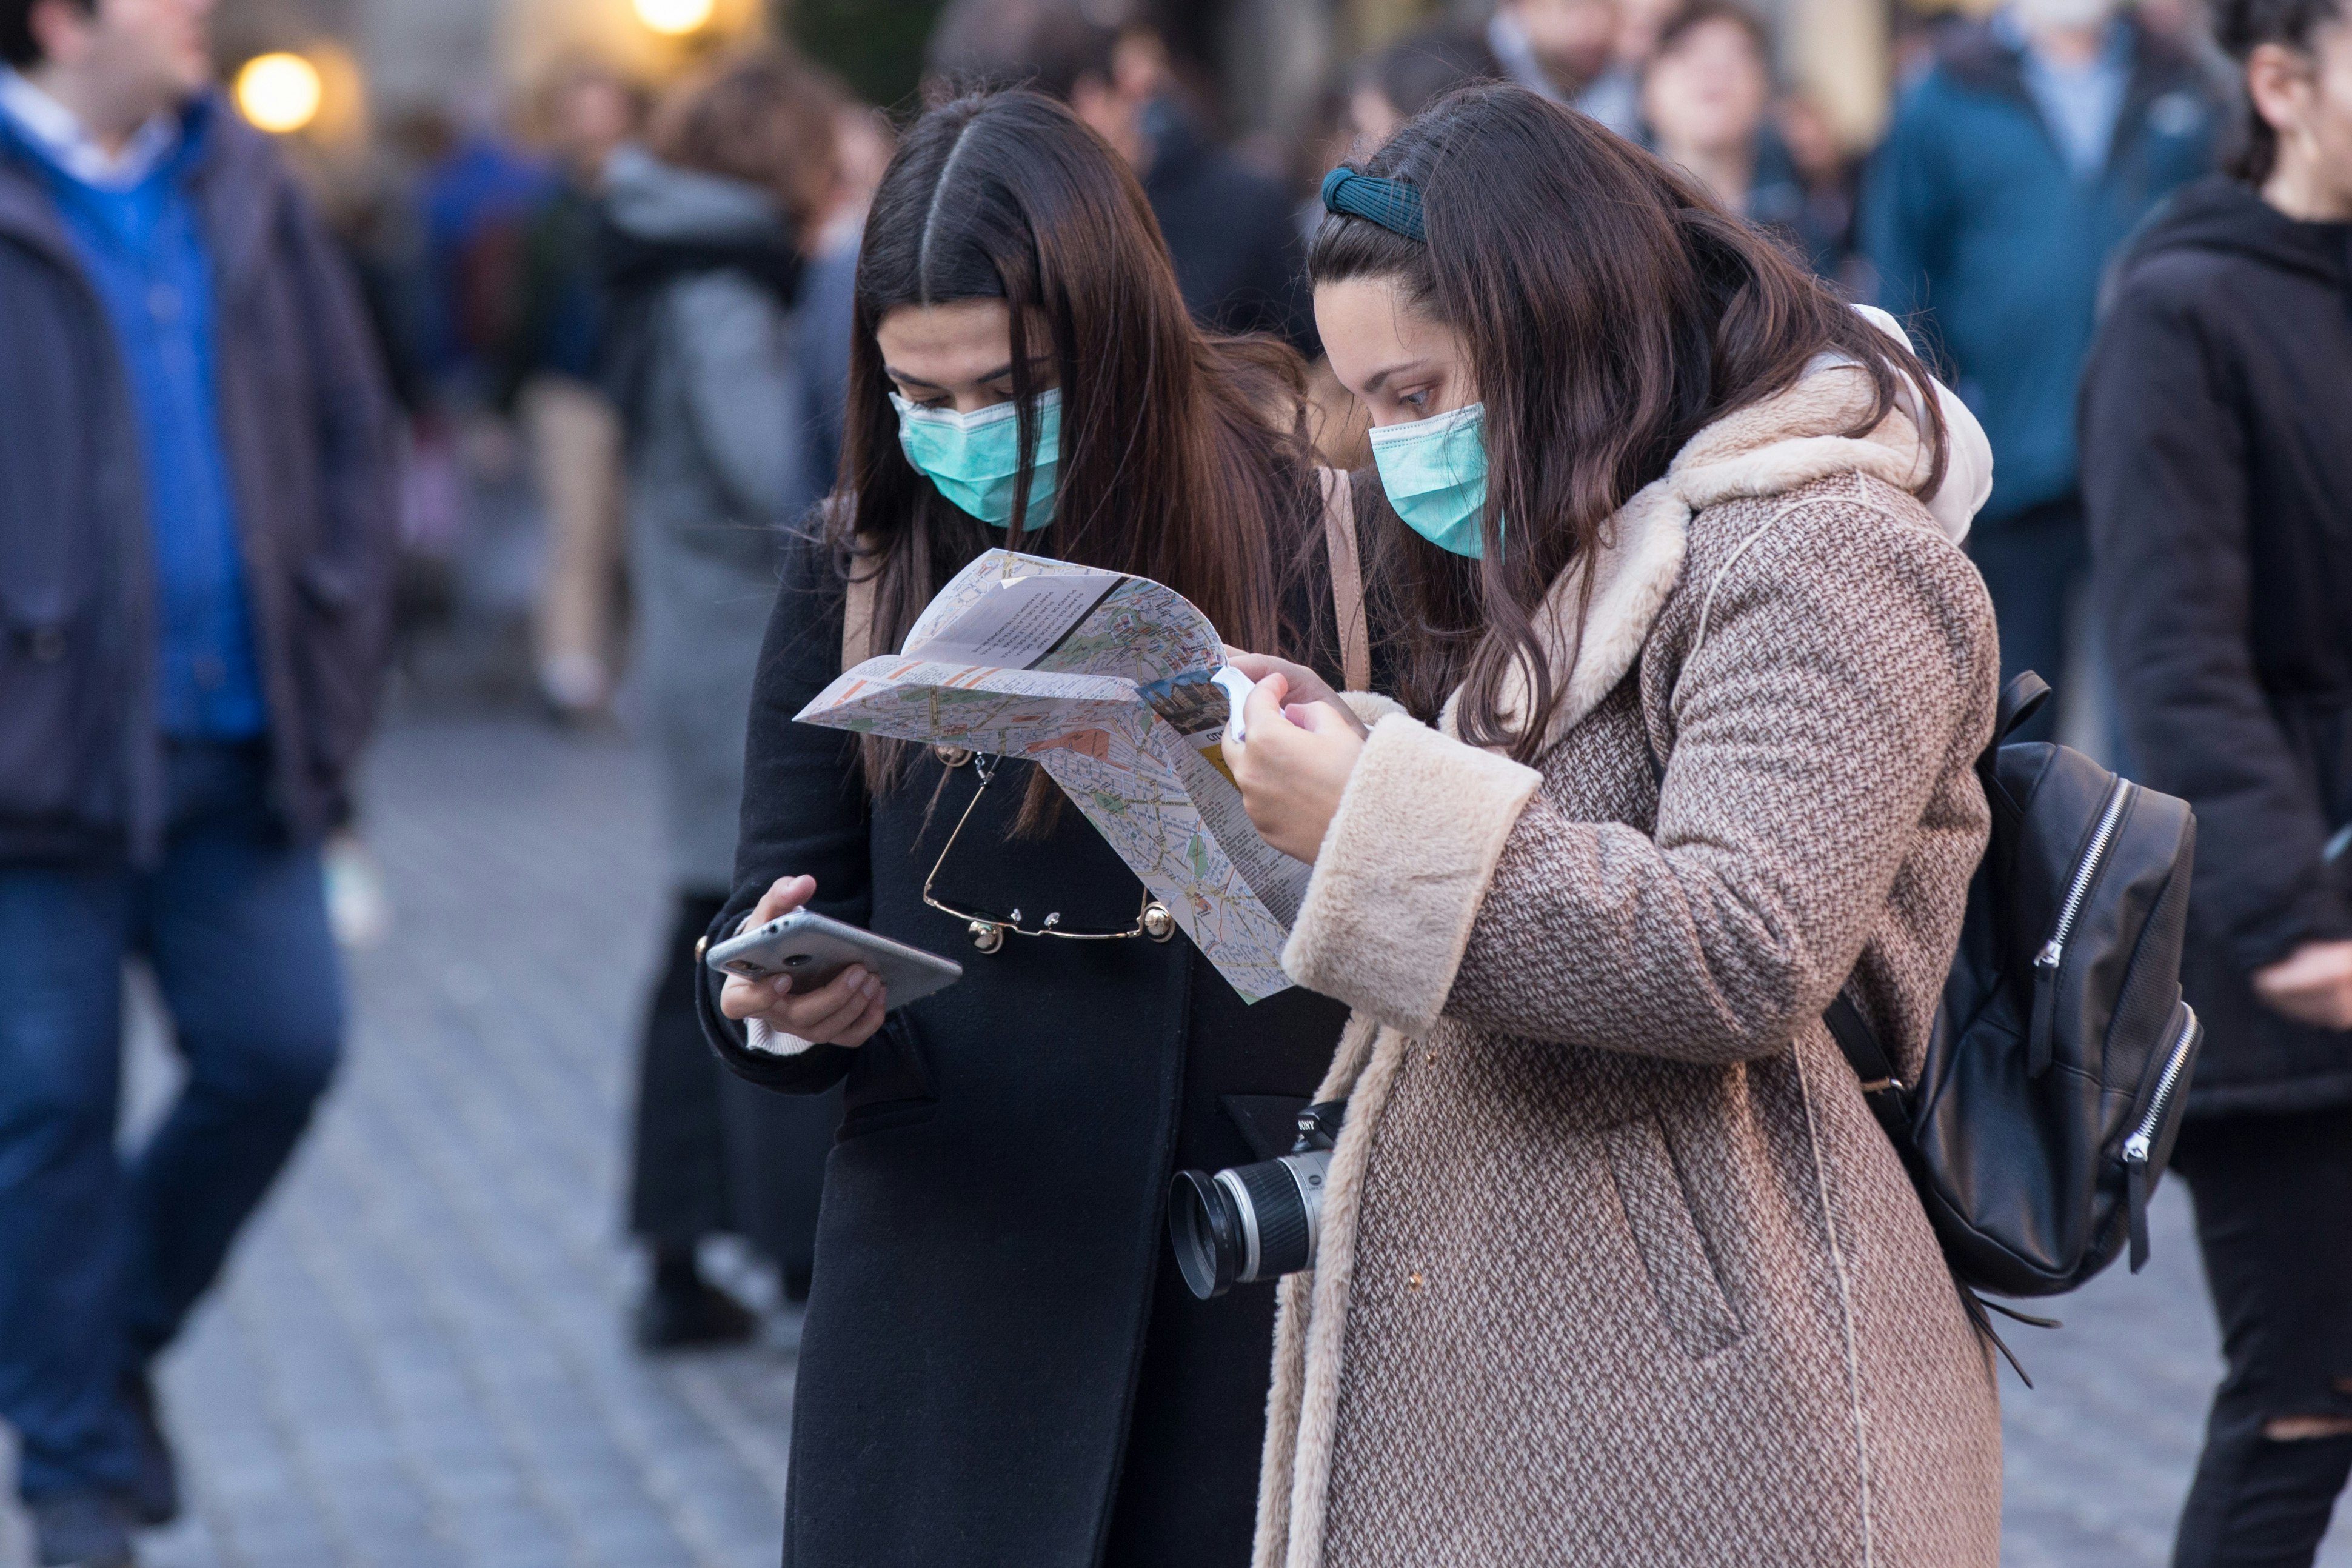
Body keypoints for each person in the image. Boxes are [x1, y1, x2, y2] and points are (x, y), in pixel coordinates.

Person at [1224, 82, 2003, 1565]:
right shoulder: (1592, 525)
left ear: (1557, 329)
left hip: (1728, 1382)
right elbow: (1552, 837)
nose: (1392, 445)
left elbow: (1743, 943)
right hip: (1542, 1349)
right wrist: (1332, 759)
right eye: (1368, 401)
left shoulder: (1825, 545)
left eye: (1416, 392)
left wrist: (1375, 809)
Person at [698, 88, 1359, 1568]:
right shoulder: (857, 563)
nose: (965, 434)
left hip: (1242, 1239)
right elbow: (762, 906)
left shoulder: (1313, 527)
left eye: (1008, 387)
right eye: (918, 396)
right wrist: (777, 1001)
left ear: (1115, 333)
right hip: (960, 1257)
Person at [0, 0, 399, 1561]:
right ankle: (76, 1476)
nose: (203, 17)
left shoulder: (243, 180)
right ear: (63, 17)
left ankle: (93, 1355)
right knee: (46, 1112)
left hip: (243, 741)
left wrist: (340, 631)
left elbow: (352, 426)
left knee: (282, 1048)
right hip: (39, 771)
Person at [2080, 0, 2352, 1558]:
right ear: (2278, 82)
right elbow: (2178, 661)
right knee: (2305, 1400)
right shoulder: (2180, 313)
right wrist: (2288, 913)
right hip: (2286, 946)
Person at [600, 44, 857, 1347]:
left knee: (703, 937)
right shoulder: (718, 289)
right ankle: (745, 1242)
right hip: (726, 657)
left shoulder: (681, 265)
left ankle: (683, 1247)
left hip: (695, 645)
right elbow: (773, 470)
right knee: (737, 941)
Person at [1863, 0, 2214, 739]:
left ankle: (2161, 855)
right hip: (2011, 444)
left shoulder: (2181, 77)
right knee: (2022, 701)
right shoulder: (1947, 88)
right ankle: (2038, 855)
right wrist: (1941, 412)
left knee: (2163, 687)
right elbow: (1901, 263)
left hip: (2163, 440)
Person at [925, 0, 1317, 353]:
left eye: (1018, 146)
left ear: (1091, 100)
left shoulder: (1241, 206)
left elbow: (1325, 369)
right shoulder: (974, 230)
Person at [502, 59, 643, 724]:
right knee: (576, 529)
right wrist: (503, 399)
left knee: (635, 532)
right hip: (570, 384)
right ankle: (570, 668)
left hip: (642, 385)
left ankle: (628, 666)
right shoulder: (547, 207)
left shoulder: (649, 198)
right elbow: (523, 306)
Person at [1639, 0, 1843, 277]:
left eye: (1735, 55)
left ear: (1764, 90)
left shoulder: (1807, 222)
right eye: (1686, 52)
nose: (1712, 71)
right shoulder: (1619, 220)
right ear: (1647, 91)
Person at [1487, 0, 1643, 137]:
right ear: (1526, 8)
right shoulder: (1481, 63)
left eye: (1607, 9)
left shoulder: (1637, 81)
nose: (1595, 25)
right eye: (1573, 7)